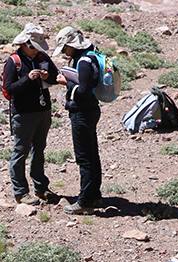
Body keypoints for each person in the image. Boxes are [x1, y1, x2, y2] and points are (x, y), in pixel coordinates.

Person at [3, 23, 59, 206]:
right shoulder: (14, 62)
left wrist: (45, 76)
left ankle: (41, 187)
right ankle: (21, 192)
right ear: (25, 44)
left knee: (39, 150)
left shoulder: (42, 57)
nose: (36, 51)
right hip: (24, 113)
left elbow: (55, 76)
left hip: (43, 111)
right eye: (34, 47)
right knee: (21, 152)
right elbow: (9, 89)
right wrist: (28, 79)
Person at [53, 26, 102, 215]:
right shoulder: (91, 55)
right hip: (91, 110)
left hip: (82, 112)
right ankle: (94, 194)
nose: (65, 52)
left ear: (72, 45)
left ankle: (85, 201)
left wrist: (67, 83)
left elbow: (82, 91)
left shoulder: (83, 62)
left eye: (65, 47)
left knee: (84, 157)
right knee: (92, 154)